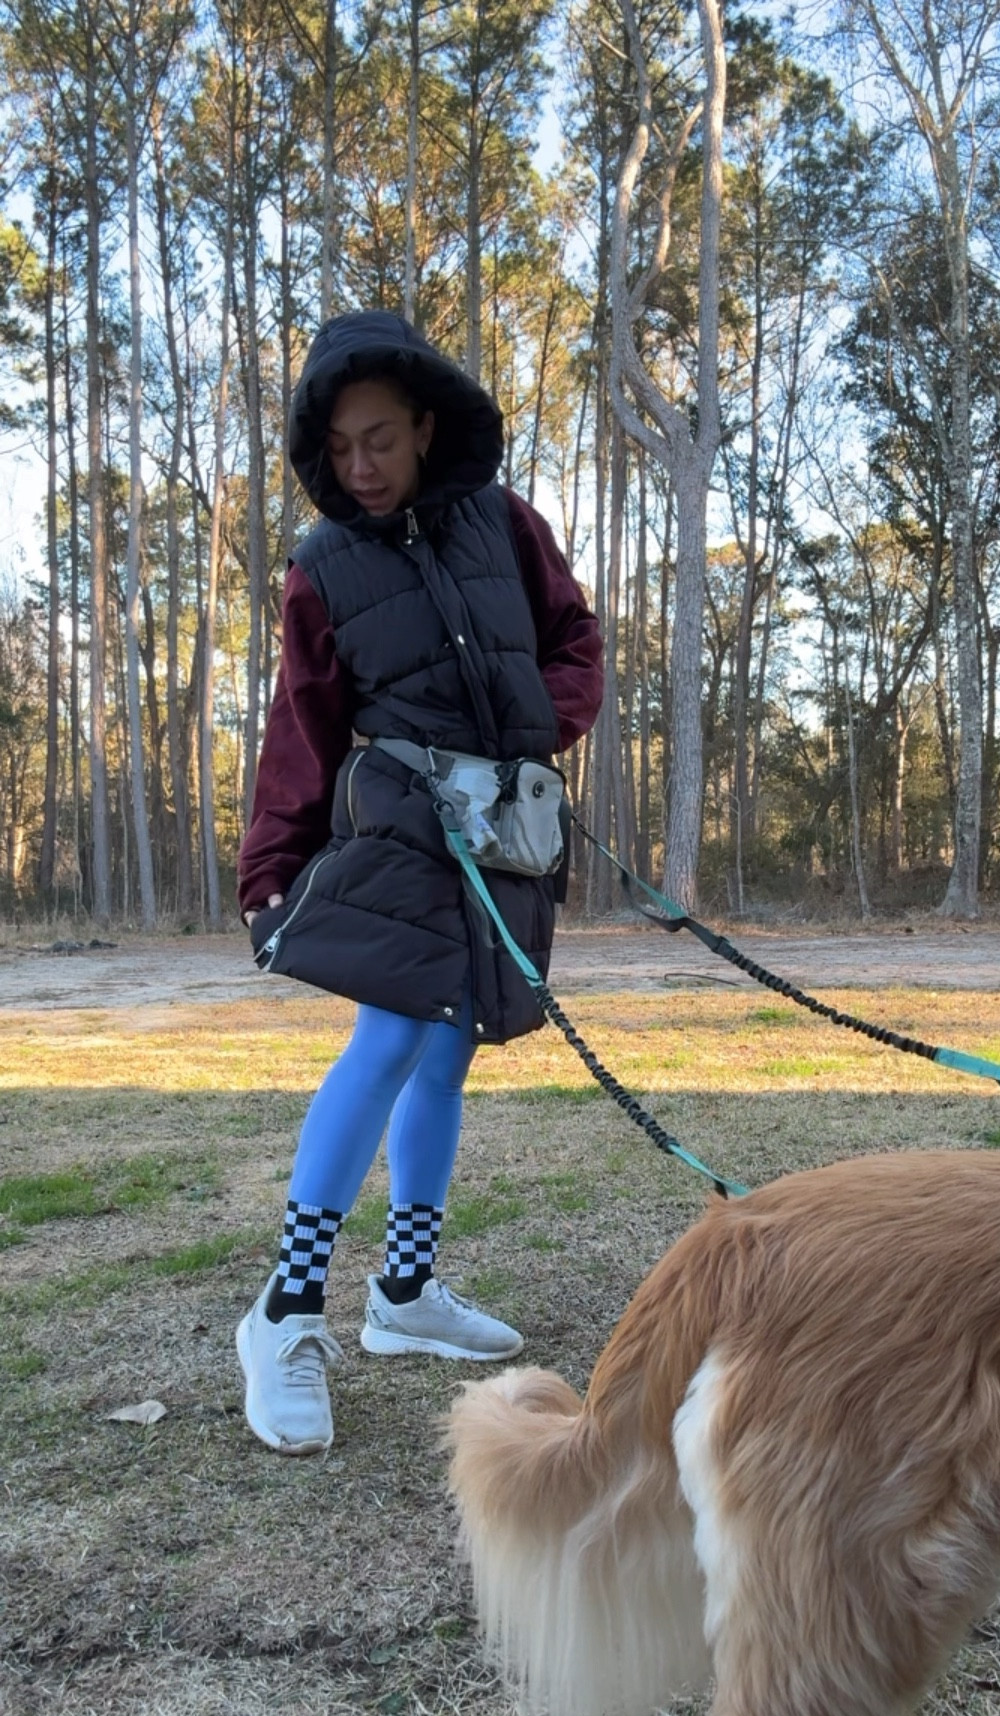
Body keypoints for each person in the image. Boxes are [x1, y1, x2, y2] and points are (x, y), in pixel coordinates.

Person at [235, 310, 604, 1456]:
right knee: (391, 1037)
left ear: (426, 426)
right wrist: (272, 866)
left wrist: (534, 725)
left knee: (449, 1048)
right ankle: (285, 1313)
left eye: (381, 440)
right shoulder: (321, 566)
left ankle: (404, 1293)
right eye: (340, 447)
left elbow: (574, 641)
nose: (360, 466)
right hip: (400, 825)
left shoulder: (507, 521)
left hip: (501, 828)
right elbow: (303, 724)